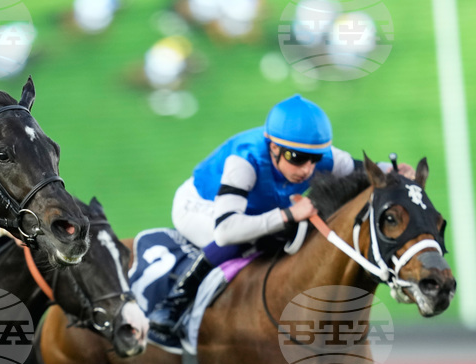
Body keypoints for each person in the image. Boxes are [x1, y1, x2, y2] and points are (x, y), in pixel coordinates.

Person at [147, 94, 415, 335]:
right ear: (272, 147)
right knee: (248, 238)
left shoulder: (314, 155)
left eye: (315, 158)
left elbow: (361, 171)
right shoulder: (245, 162)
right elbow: (226, 230)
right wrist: (287, 214)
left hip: (252, 209)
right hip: (200, 205)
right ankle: (174, 301)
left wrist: (392, 173)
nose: (307, 169)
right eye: (296, 158)